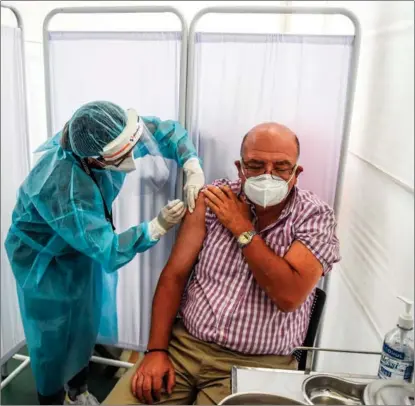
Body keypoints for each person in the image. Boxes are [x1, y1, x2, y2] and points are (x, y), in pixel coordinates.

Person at [104, 122, 341, 405]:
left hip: (259, 365)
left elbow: (288, 296)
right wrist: (156, 350)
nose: (268, 176)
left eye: (281, 167)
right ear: (240, 167)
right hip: (184, 348)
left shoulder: (314, 217)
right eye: (255, 165)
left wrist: (241, 228)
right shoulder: (213, 199)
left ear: (296, 173)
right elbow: (175, 275)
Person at [4, 101, 205, 405]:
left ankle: (78, 388)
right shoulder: (64, 187)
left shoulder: (108, 135)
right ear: (95, 159)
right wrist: (156, 227)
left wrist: (191, 163)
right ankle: (51, 398)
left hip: (80, 245)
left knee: (84, 321)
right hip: (42, 262)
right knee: (52, 339)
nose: (131, 158)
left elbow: (163, 132)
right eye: (121, 156)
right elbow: (108, 251)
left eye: (130, 147)